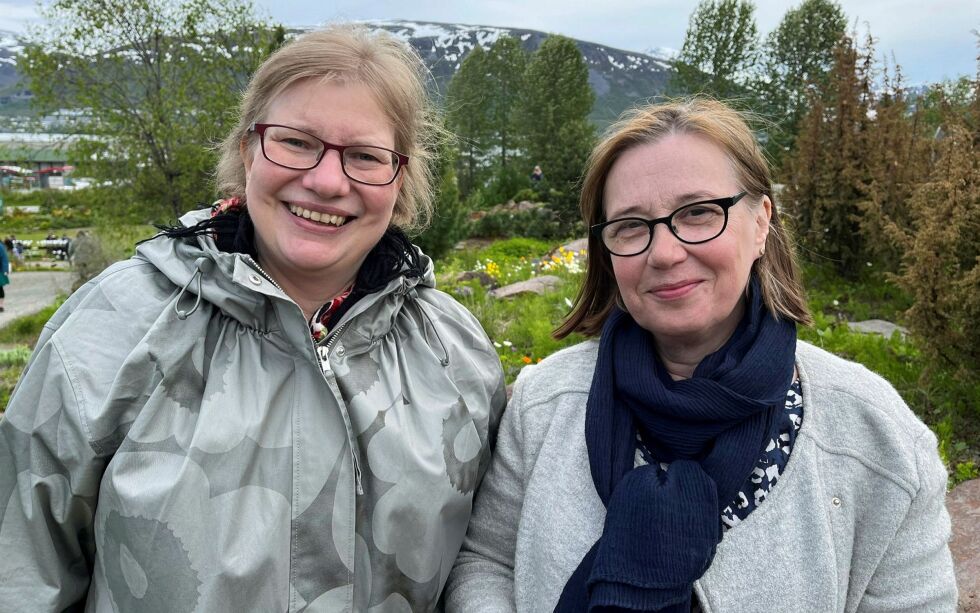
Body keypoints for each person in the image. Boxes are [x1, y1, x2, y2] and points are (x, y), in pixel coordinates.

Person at [0, 25, 506, 612]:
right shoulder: (114, 327)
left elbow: (483, 566)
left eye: (365, 156)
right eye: (295, 142)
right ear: (247, 150)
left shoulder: (454, 352)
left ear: (401, 180)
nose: (326, 181)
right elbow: (21, 573)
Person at [445, 99, 957, 612]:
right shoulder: (543, 405)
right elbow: (487, 561)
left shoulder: (877, 436)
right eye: (629, 225)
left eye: (698, 214)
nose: (664, 253)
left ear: (760, 223)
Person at [0, 239, 9, 312]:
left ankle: (1, 305)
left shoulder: (0, 247)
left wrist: (5, 270)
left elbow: (4, 259)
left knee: (0, 289)